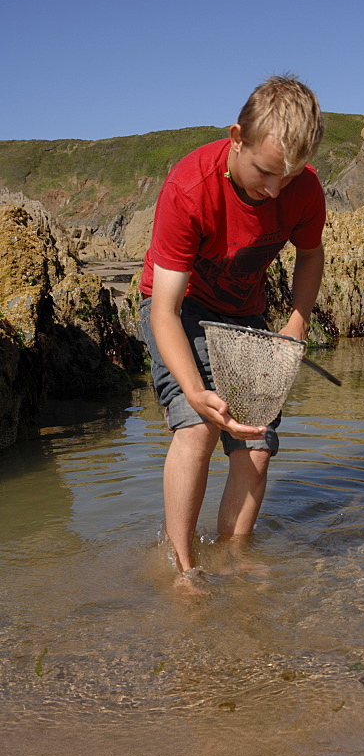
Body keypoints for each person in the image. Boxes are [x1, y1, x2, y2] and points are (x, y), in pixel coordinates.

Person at [139, 75, 326, 575]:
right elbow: (164, 309)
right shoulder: (189, 188)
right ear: (236, 136)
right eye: (265, 172)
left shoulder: (303, 189)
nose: (274, 189)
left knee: (255, 440)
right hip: (184, 310)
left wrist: (296, 325)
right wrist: (194, 390)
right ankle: (184, 568)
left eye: (287, 177)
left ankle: (233, 555)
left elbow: (310, 256)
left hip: (245, 314)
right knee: (199, 425)